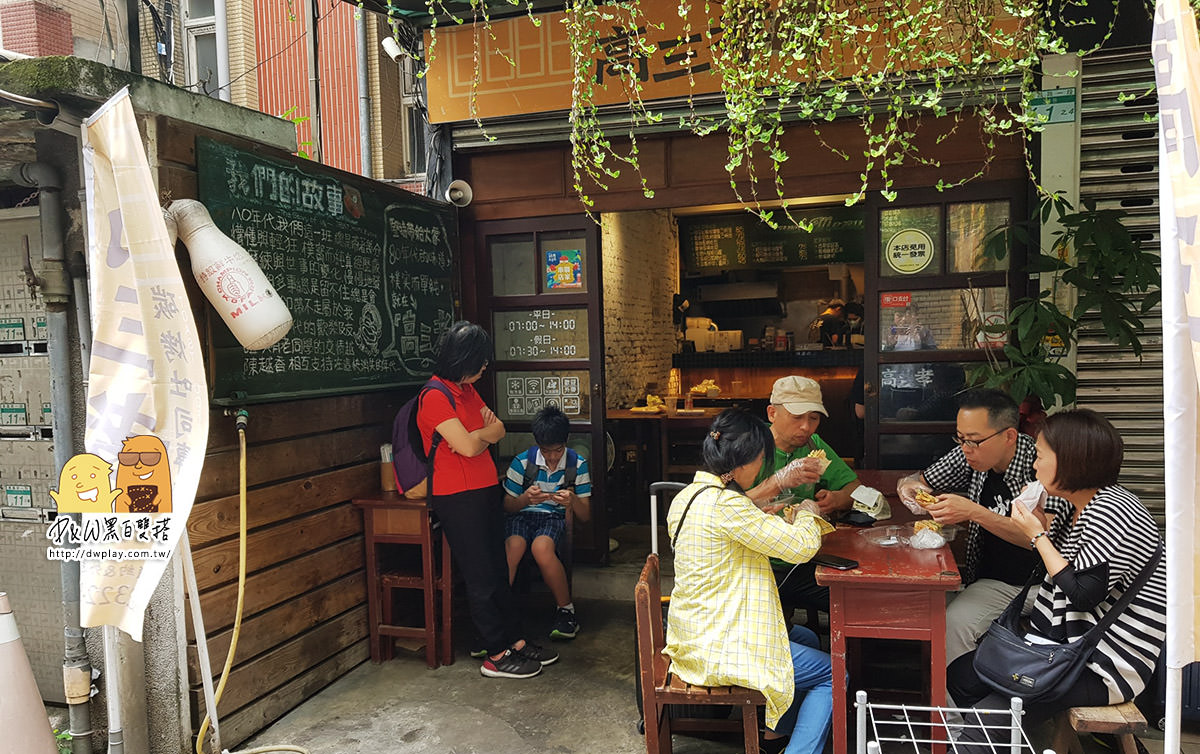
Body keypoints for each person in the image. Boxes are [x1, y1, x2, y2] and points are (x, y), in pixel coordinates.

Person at [948, 409, 1166, 743]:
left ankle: (988, 740)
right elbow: (1063, 568)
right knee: (960, 677)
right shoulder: (1077, 506)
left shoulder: (1115, 510)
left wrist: (1037, 535)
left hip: (1101, 664)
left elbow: (1082, 594)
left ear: (1070, 460)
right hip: (1059, 649)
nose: (1034, 466)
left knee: (983, 726)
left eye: (1039, 456)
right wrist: (1039, 524)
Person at [664, 408, 837, 754]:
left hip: (695, 633)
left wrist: (758, 510)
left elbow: (732, 515)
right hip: (719, 647)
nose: (763, 467)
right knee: (834, 674)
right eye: (762, 459)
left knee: (803, 635)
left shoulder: (688, 498)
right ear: (747, 460)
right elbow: (801, 547)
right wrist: (807, 512)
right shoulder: (728, 507)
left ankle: (775, 735)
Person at [415, 321, 558, 679]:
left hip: (482, 489)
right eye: (480, 361)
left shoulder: (465, 391)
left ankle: (515, 642)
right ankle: (495, 653)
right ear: (463, 359)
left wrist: (477, 435)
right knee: (480, 575)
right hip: (457, 497)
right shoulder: (434, 396)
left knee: (497, 569)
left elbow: (498, 430)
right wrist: (479, 436)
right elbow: (466, 446)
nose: (484, 368)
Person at [897, 388, 1073, 664]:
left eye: (974, 441)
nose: (966, 448)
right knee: (919, 606)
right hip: (985, 579)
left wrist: (973, 512)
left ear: (1009, 436)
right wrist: (912, 491)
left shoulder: (1040, 468)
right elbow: (916, 480)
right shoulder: (970, 454)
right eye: (961, 438)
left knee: (953, 623)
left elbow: (1039, 539)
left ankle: (954, 707)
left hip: (1037, 584)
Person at [745, 376, 861, 614]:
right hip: (758, 565)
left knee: (855, 600)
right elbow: (724, 507)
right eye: (797, 417)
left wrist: (836, 499)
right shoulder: (750, 448)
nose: (806, 427)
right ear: (772, 413)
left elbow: (855, 489)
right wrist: (778, 481)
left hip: (803, 558)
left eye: (814, 418)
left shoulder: (812, 445)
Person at [502, 404, 591, 640]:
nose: (552, 457)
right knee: (514, 546)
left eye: (558, 450)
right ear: (536, 443)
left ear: (567, 441)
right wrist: (524, 499)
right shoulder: (522, 463)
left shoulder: (577, 464)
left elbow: (585, 515)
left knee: (541, 548)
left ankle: (566, 611)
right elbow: (507, 506)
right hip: (522, 515)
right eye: (546, 450)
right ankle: (499, 613)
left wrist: (571, 500)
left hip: (552, 517)